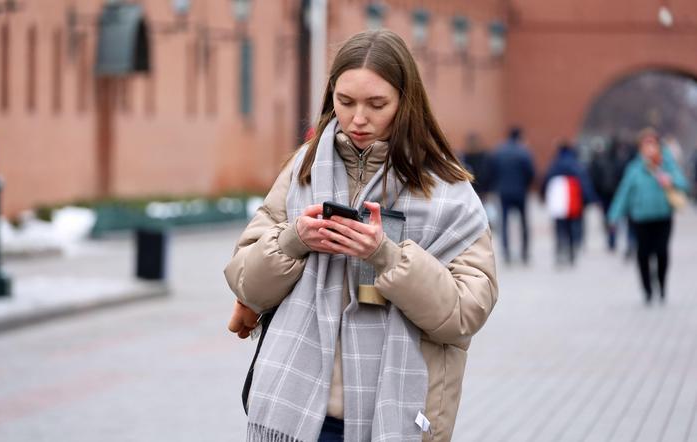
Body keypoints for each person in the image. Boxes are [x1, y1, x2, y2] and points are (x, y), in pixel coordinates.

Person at [224, 30, 498, 442]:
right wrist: (295, 238)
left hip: (390, 422)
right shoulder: (304, 169)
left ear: (406, 102)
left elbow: (465, 313)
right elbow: (244, 278)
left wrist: (387, 257)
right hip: (296, 416)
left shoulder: (447, 190)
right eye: (345, 101)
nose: (358, 119)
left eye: (377, 104)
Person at [608, 128, 689, 304]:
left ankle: (661, 284)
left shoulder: (667, 165)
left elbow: (684, 185)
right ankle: (647, 289)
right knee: (643, 254)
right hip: (641, 218)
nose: (649, 148)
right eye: (646, 144)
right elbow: (624, 193)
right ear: (640, 148)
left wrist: (671, 180)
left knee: (661, 252)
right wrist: (614, 216)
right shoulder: (634, 168)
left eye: (652, 143)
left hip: (662, 216)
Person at [541, 141, 597, 266]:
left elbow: (546, 180)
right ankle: (572, 251)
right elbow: (584, 182)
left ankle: (560, 250)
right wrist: (588, 199)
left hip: (558, 202)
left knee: (559, 227)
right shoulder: (576, 164)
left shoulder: (555, 163)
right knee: (573, 227)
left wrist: (543, 195)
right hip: (573, 201)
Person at [490, 126, 535, 263]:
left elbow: (492, 171)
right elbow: (531, 172)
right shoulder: (523, 151)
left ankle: (506, 252)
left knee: (504, 222)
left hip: (503, 192)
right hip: (520, 192)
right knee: (523, 222)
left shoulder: (499, 151)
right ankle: (524, 252)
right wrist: (526, 186)